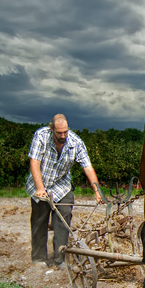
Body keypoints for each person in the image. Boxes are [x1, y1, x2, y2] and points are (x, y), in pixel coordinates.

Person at [26, 114, 103, 268]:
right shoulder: (41, 136)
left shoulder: (76, 142)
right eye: (59, 133)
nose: (63, 136)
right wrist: (40, 188)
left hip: (61, 185)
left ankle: (59, 259)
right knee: (40, 219)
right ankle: (39, 258)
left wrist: (97, 190)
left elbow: (87, 167)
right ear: (52, 129)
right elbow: (34, 163)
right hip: (40, 182)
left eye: (65, 132)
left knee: (64, 215)